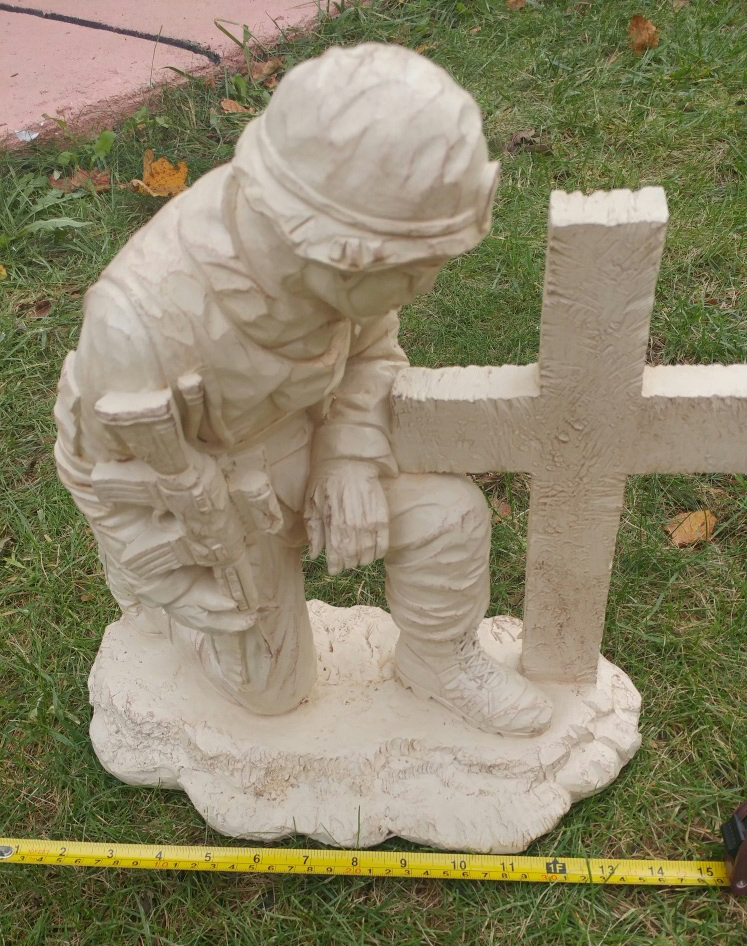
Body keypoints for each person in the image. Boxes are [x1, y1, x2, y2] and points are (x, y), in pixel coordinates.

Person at [54, 43, 552, 736]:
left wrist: (346, 459)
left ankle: (439, 662)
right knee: (272, 696)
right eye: (411, 270)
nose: (425, 287)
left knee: (449, 518)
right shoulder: (140, 325)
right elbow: (102, 473)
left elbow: (373, 351)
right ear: (328, 250)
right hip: (207, 497)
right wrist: (174, 585)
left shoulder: (332, 261)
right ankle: (164, 626)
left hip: (301, 443)